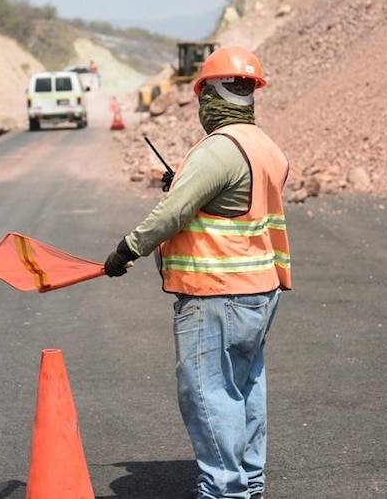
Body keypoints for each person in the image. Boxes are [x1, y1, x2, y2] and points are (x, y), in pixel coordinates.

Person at [103, 45, 291, 499]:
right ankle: (249, 482)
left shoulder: (219, 150)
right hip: (259, 290)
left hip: (217, 293)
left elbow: (173, 213)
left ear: (209, 94)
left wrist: (127, 249)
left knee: (208, 394)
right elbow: (231, 204)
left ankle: (226, 490)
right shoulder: (267, 147)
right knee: (244, 388)